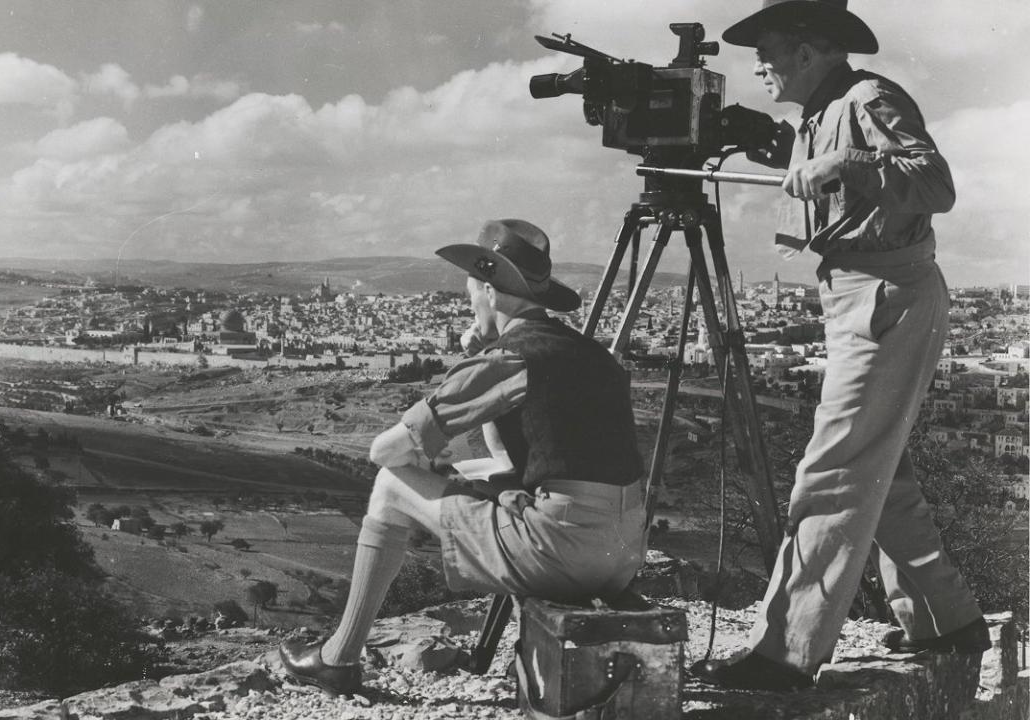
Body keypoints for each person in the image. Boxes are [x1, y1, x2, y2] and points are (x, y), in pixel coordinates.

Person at [696, 0, 990, 691]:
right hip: (863, 296)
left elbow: (935, 183)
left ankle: (786, 653)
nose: (759, 65)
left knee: (831, 473)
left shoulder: (868, 98)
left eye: (767, 51)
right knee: (880, 475)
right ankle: (947, 619)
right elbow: (823, 171)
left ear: (806, 50)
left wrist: (851, 163)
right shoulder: (820, 113)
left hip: (887, 297)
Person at [280, 219, 648, 694]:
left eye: (471, 291)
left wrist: (471, 364)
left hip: (566, 552)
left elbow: (384, 451)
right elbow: (508, 458)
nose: (470, 302)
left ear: (491, 293)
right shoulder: (588, 352)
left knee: (392, 485)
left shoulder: (512, 357)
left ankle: (338, 658)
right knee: (487, 489)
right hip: (621, 552)